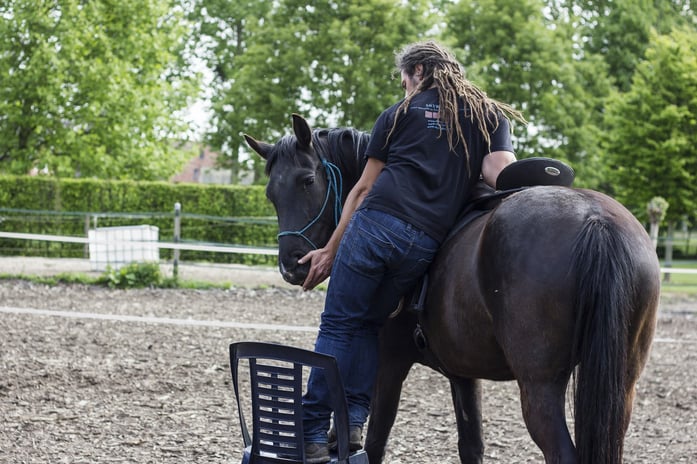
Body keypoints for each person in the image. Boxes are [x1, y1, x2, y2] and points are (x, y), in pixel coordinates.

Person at [298, 40, 525, 463]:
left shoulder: (398, 114)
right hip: (424, 243)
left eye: (404, 78)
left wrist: (331, 248)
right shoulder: (488, 115)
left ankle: (310, 432)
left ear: (418, 70)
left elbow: (363, 189)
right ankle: (353, 424)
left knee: (339, 326)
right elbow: (500, 173)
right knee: (369, 326)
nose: (403, 87)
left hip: (375, 227)